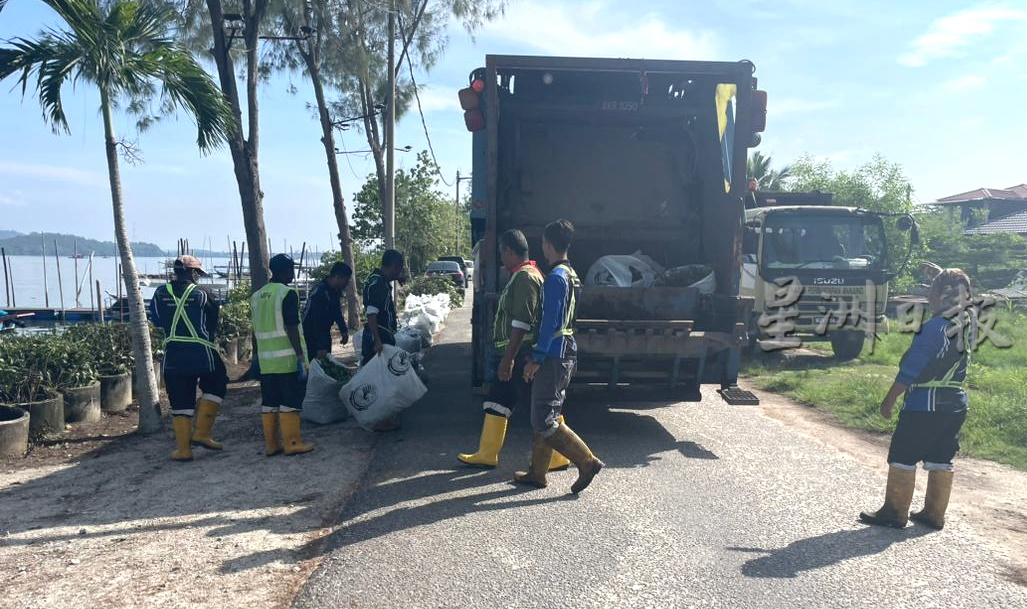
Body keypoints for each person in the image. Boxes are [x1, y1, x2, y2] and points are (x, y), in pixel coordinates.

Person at [859, 269, 973, 530]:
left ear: (937, 295)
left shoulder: (933, 328)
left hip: (926, 404)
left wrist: (888, 400)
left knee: (903, 455)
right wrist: (945, 275)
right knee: (941, 457)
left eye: (932, 290)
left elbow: (911, 369)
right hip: (955, 403)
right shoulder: (967, 323)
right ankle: (934, 514)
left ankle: (894, 512)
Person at [457, 229, 570, 470]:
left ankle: (563, 457)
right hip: (517, 353)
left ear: (509, 251)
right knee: (504, 400)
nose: (501, 258)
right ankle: (488, 454)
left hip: (519, 353)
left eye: (502, 253)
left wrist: (507, 359)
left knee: (535, 404)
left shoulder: (525, 277)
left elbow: (522, 321)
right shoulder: (525, 275)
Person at [514, 219, 604, 494]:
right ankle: (537, 472)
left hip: (554, 353)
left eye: (542, 242)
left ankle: (587, 462)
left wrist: (536, 358)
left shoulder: (555, 278)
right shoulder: (571, 274)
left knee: (543, 418)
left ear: (548, 244)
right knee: (547, 412)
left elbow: (550, 322)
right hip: (564, 351)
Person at [148, 255, 228, 462]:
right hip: (202, 351)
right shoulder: (203, 293)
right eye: (198, 274)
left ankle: (183, 449)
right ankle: (202, 433)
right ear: (193, 273)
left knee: (180, 401)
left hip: (173, 353)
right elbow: (213, 322)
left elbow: (156, 319)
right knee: (217, 384)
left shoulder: (160, 293)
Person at [251, 254, 313, 456]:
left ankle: (271, 445)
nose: (294, 273)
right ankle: (292, 443)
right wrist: (300, 356)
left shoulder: (257, 296)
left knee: (269, 402)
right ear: (286, 271)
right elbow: (292, 326)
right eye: (292, 269)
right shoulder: (287, 293)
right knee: (290, 401)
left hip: (266, 362)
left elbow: (255, 329)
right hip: (286, 360)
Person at [361, 249, 406, 432]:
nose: (399, 273)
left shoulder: (378, 279)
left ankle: (383, 417)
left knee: (384, 378)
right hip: (377, 336)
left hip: (382, 334)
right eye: (399, 269)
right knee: (380, 380)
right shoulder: (378, 284)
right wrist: (377, 341)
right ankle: (379, 420)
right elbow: (371, 314)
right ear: (394, 266)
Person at [302, 262, 352, 362]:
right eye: (345, 281)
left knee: (327, 363)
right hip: (311, 335)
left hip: (324, 332)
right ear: (337, 277)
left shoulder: (334, 291)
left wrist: (344, 330)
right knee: (316, 366)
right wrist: (320, 346)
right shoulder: (320, 292)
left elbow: (336, 311)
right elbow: (316, 320)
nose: (346, 284)